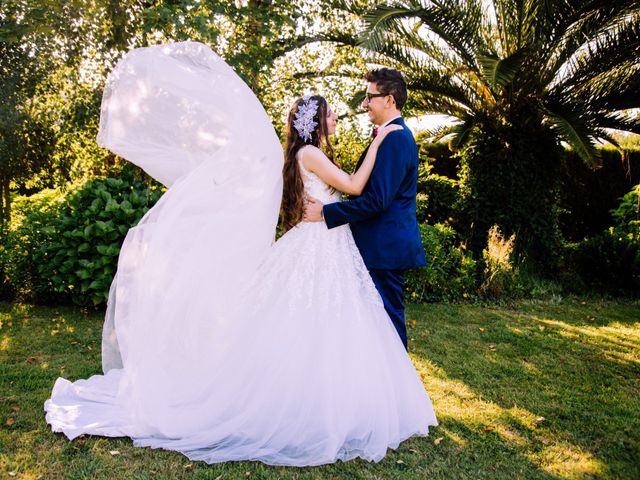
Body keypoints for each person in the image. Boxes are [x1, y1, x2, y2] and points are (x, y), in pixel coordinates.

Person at [44, 41, 437, 467]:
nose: (355, 108)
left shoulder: (382, 141)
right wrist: (353, 177)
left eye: (369, 97)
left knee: (350, 322)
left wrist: (335, 200)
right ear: (317, 122)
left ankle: (368, 396)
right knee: (326, 323)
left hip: (344, 243)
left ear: (389, 99)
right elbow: (360, 189)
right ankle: (355, 400)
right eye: (333, 113)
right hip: (324, 243)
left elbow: (371, 196)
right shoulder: (322, 152)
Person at [304, 68, 425, 349]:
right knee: (375, 325)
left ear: (390, 100)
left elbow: (377, 201)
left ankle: (398, 389)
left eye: (370, 97)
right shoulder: (390, 135)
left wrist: (326, 213)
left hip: (384, 249)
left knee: (388, 325)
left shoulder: (395, 138)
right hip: (378, 247)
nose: (365, 103)